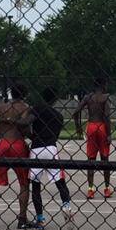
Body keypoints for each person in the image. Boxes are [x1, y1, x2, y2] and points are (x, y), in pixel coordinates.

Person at [0, 83, 34, 230]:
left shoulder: (2, 107)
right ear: (24, 94)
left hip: (3, 144)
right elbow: (25, 128)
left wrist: (2, 121)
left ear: (11, 93)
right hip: (18, 144)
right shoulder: (26, 107)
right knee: (24, 184)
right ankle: (22, 218)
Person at [29, 86, 74, 221]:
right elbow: (55, 135)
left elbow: (26, 122)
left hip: (37, 148)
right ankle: (66, 206)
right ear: (55, 99)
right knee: (60, 183)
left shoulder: (37, 109)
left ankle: (40, 218)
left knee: (36, 185)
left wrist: (30, 134)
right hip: (51, 148)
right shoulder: (58, 116)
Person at [73, 75, 112, 198]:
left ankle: (90, 189)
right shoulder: (105, 97)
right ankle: (106, 188)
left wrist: (78, 126)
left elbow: (76, 112)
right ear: (103, 85)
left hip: (91, 127)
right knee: (105, 159)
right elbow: (106, 116)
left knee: (91, 159)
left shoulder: (88, 97)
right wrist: (109, 133)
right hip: (101, 127)